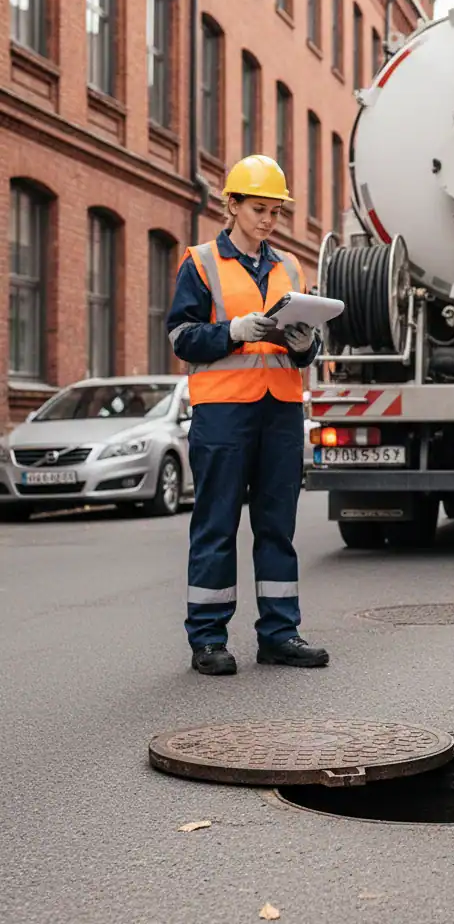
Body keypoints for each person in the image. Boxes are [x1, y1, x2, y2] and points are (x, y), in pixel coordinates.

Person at [166, 154, 329, 676]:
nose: (268, 220)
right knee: (215, 524)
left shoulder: (289, 267)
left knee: (277, 526)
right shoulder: (200, 262)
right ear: (230, 205)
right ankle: (208, 639)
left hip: (280, 409)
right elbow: (180, 337)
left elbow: (301, 351)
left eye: (275, 212)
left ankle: (280, 634)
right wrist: (233, 331)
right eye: (259, 209)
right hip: (223, 411)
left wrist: (305, 342)